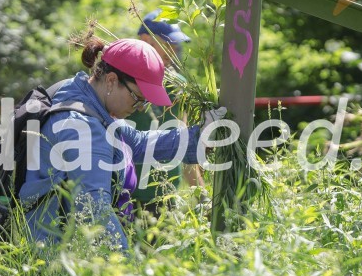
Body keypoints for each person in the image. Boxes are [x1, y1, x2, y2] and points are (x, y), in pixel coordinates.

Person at [19, 29, 223, 249]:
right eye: (137, 98)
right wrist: (128, 275)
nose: (140, 108)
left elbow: (140, 142)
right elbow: (96, 214)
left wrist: (200, 136)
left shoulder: (77, 92)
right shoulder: (85, 129)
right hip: (52, 259)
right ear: (111, 80)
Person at [130, 10, 204, 216]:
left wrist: (201, 194)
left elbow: (184, 142)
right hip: (126, 195)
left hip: (165, 197)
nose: (174, 49)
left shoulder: (179, 84)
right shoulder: (125, 81)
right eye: (169, 43)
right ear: (146, 41)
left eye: (176, 44)